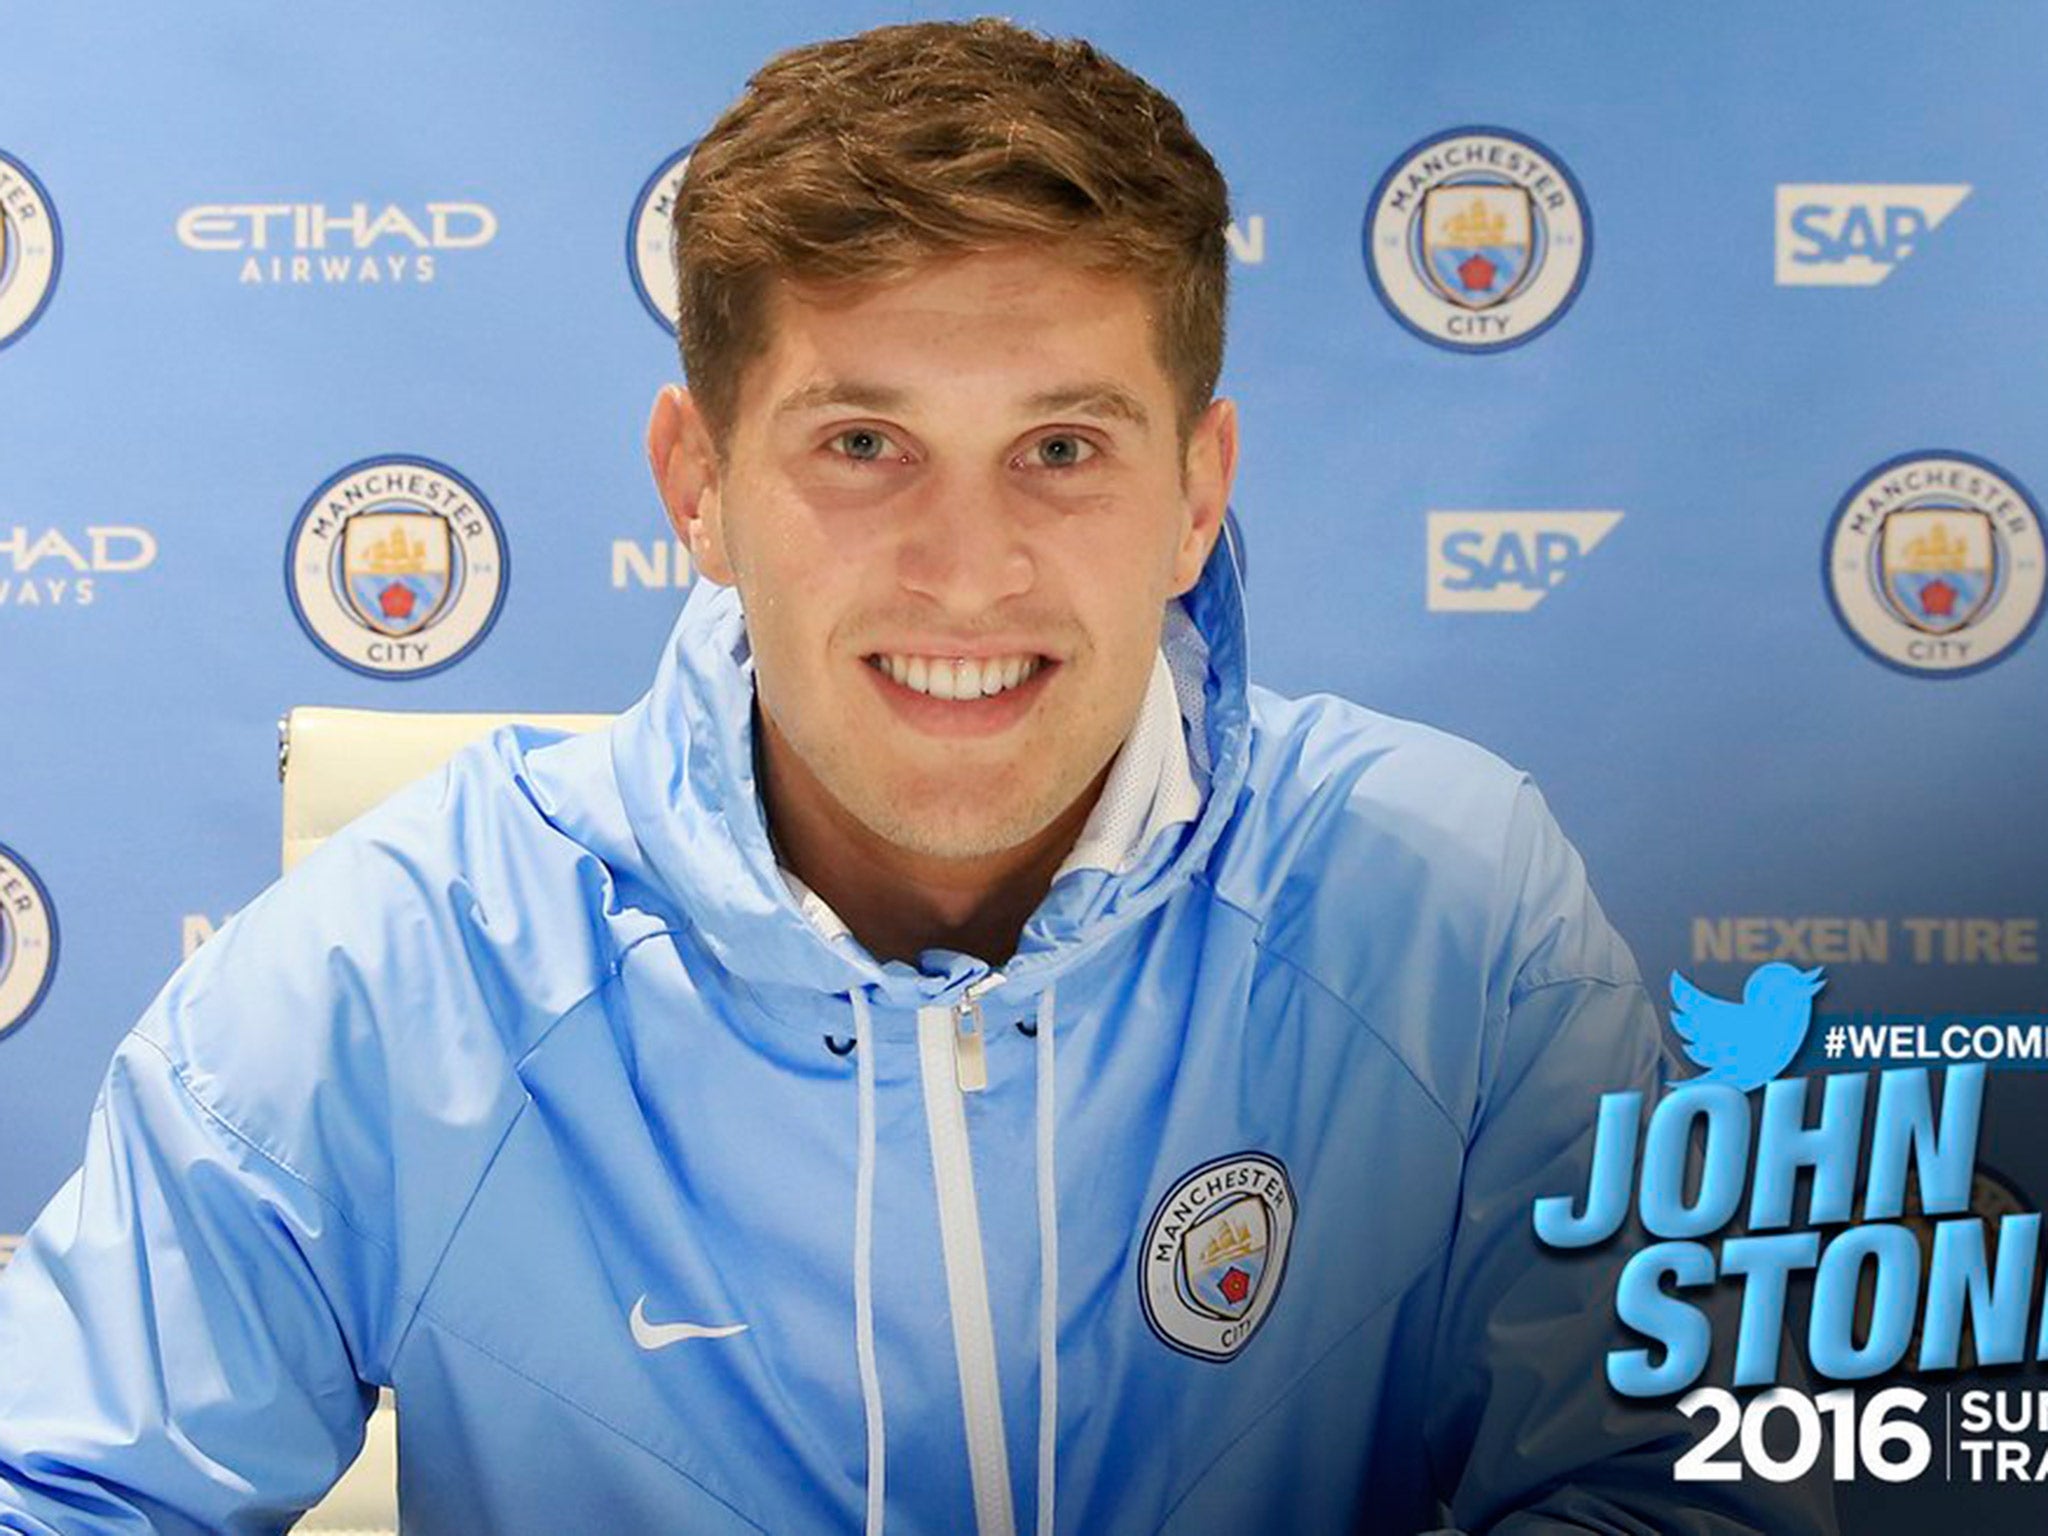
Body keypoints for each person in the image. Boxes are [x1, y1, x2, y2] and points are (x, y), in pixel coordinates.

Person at [0, 19, 1828, 1536]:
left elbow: (1684, 1491)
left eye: (1059, 447)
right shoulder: (400, 968)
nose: (966, 570)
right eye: (864, 444)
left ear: (1199, 492)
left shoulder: (1454, 908)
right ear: (696, 482)